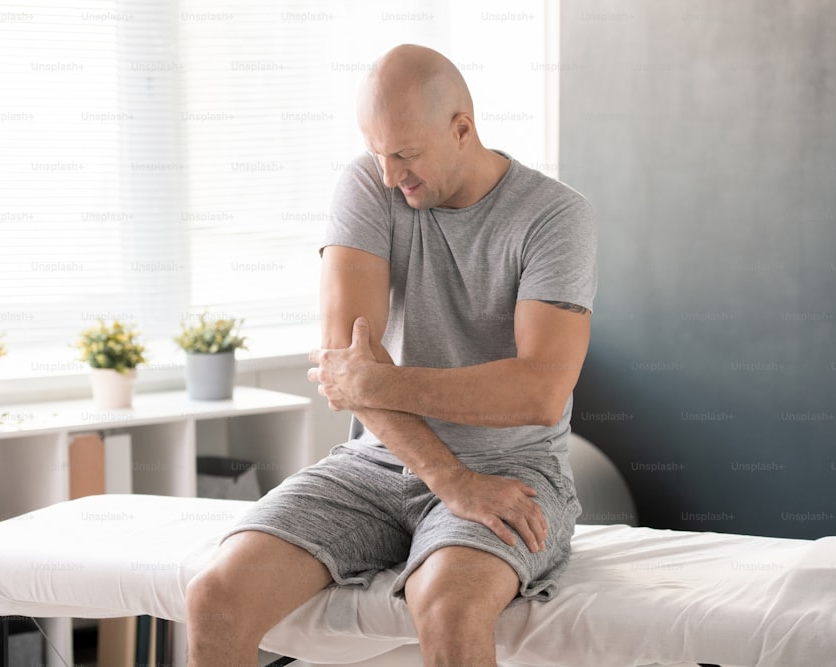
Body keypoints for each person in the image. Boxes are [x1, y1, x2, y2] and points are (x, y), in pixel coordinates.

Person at [184, 43, 596, 667]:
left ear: (463, 129)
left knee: (448, 608)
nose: (388, 175)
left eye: (405, 154)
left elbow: (539, 393)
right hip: (375, 464)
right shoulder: (367, 184)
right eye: (378, 153)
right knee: (214, 596)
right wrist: (447, 478)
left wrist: (373, 385)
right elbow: (345, 357)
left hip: (512, 470)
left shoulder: (554, 216)